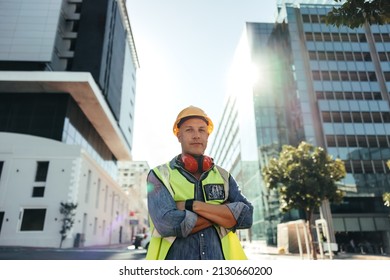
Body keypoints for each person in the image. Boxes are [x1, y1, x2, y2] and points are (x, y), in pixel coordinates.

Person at [145, 105, 253, 260]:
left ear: (207, 136)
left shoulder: (223, 176)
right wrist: (224, 213)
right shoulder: (159, 175)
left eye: (202, 130)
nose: (196, 135)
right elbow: (167, 223)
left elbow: (247, 216)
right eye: (189, 130)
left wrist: (191, 206)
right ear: (179, 136)